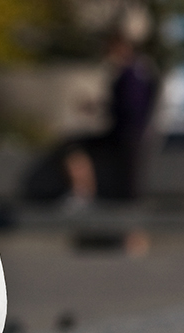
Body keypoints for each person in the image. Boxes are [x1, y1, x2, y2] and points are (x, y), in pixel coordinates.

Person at [23, 31, 158, 206]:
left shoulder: (131, 73)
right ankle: (83, 192)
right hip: (129, 137)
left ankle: (83, 193)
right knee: (127, 194)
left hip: (127, 138)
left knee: (128, 194)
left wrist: (103, 107)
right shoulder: (138, 72)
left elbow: (130, 108)